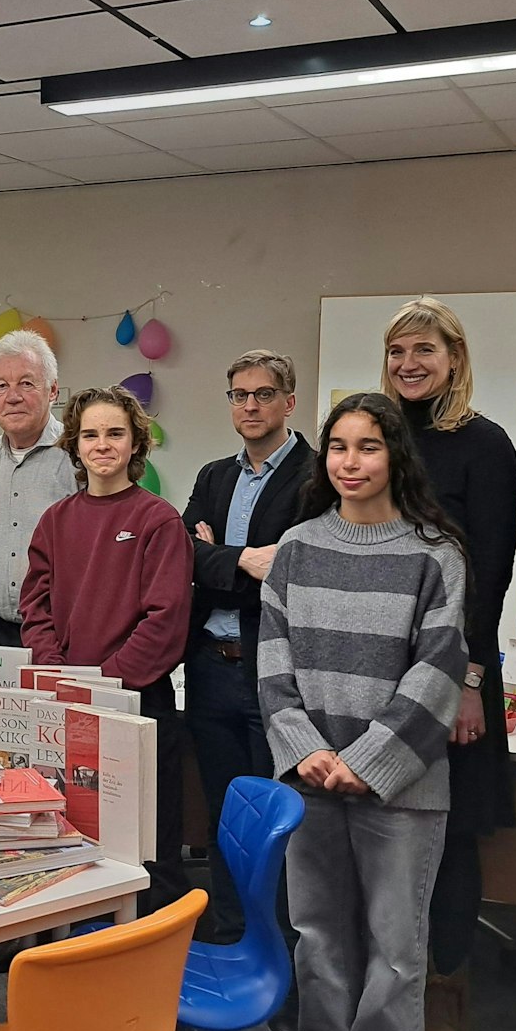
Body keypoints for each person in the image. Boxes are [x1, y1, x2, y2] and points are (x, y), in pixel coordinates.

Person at [259, 392, 469, 1031]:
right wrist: (304, 751)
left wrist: (367, 763)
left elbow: (436, 675)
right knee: (318, 937)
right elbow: (273, 664)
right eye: (340, 447)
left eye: (369, 446)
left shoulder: (435, 554)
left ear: (395, 456)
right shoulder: (295, 547)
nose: (351, 462)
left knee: (395, 951)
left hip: (402, 789)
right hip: (311, 780)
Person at [378, 298, 516, 1031]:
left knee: (449, 830)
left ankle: (442, 1001)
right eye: (398, 349)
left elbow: (490, 574)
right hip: (378, 667)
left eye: (425, 349)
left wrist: (470, 678)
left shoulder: (485, 443)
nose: (410, 363)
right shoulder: (379, 439)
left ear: (455, 357)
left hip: (453, 668)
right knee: (385, 826)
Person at [21, 386, 192, 914]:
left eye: (115, 433)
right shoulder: (55, 521)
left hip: (138, 706)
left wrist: (108, 687)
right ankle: (64, 937)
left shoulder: (158, 520)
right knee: (69, 829)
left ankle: (151, 952)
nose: (102, 445)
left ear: (136, 442)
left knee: (145, 843)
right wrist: (64, 681)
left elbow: (165, 621)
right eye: (90, 434)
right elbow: (36, 608)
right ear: (74, 446)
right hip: (68, 705)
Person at [181, 349, 313, 951]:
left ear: (289, 402)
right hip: (212, 666)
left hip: (276, 670)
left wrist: (218, 557)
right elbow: (182, 553)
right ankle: (231, 936)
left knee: (278, 822)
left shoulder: (316, 477)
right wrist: (241, 559)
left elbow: (293, 568)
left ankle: (277, 952)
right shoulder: (214, 477)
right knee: (224, 815)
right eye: (239, 394)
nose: (251, 405)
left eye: (264, 394)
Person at [0, 329, 76, 647]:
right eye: (1, 386)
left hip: (61, 631)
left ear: (53, 390)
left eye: (26, 383)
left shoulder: (78, 457)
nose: (13, 396)